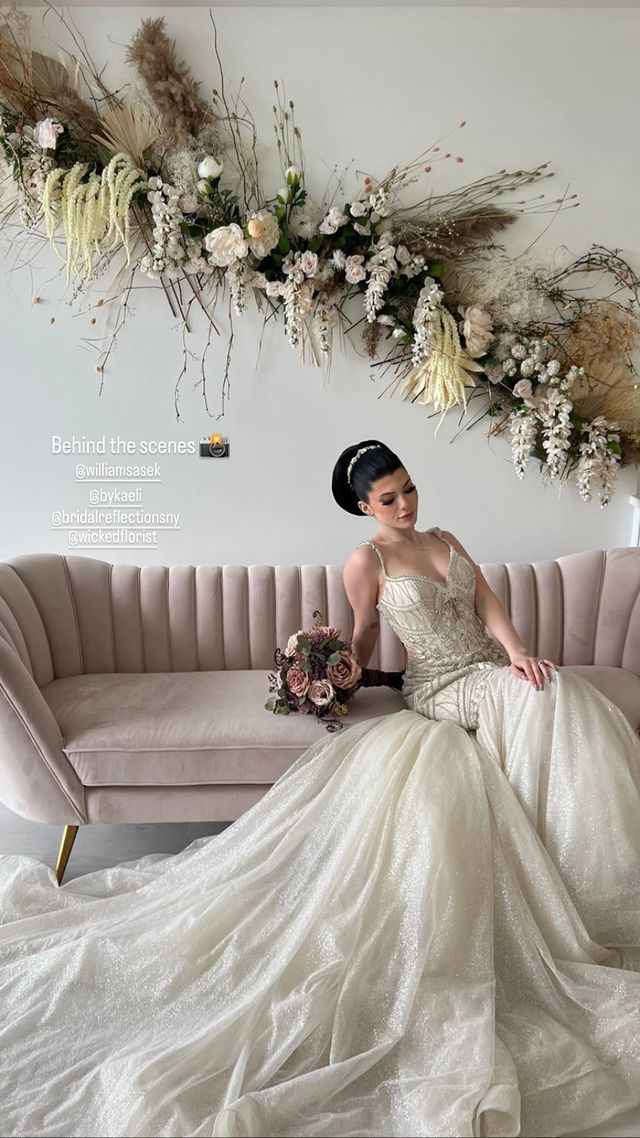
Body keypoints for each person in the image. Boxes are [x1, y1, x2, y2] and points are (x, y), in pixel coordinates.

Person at [1, 439, 639, 1138]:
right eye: (388, 498)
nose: (404, 505)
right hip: (441, 686)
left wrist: (519, 655)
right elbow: (366, 631)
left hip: (492, 670)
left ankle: (590, 871)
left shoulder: (445, 539)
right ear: (363, 506)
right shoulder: (367, 560)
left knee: (556, 693)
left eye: (408, 488)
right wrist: (339, 681)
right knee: (546, 703)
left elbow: (486, 603)